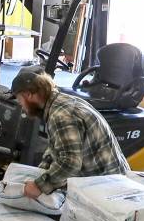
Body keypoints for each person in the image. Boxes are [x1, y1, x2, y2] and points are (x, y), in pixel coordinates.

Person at [11, 69, 130, 199]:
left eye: (19, 100)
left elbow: (70, 163)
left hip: (108, 189)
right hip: (105, 181)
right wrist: (39, 173)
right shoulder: (60, 102)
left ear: (29, 95)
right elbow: (56, 149)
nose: (21, 106)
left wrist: (38, 186)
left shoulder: (60, 116)